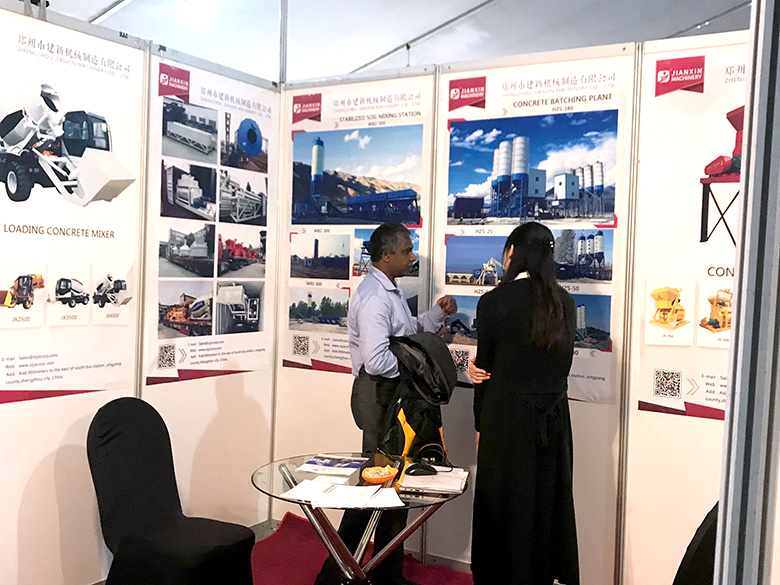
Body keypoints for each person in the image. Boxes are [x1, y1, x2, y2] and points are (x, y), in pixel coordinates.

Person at [314, 222, 457, 585]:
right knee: (374, 486)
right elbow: (377, 360)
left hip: (392, 397)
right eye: (407, 251)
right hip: (381, 397)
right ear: (387, 255)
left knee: (394, 484)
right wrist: (417, 370)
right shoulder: (375, 298)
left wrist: (436, 316)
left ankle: (384, 572)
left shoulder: (389, 291)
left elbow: (407, 335)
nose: (412, 257)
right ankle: (335, 574)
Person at [468, 222, 579, 585]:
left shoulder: (493, 302)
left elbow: (484, 371)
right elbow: (561, 366)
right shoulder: (564, 302)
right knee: (546, 506)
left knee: (502, 507)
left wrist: (480, 423)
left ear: (512, 253)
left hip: (505, 419)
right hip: (554, 422)